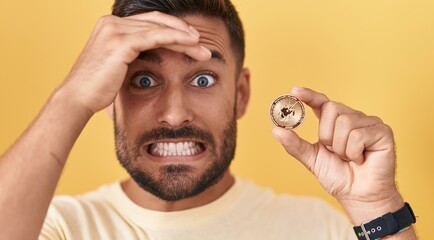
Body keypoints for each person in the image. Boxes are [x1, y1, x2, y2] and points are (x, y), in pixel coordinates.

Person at [0, 0, 417, 239]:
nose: (175, 112)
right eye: (144, 79)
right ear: (108, 94)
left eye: (202, 78)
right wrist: (71, 96)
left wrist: (377, 207)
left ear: (240, 95)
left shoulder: (321, 230)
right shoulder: (55, 226)